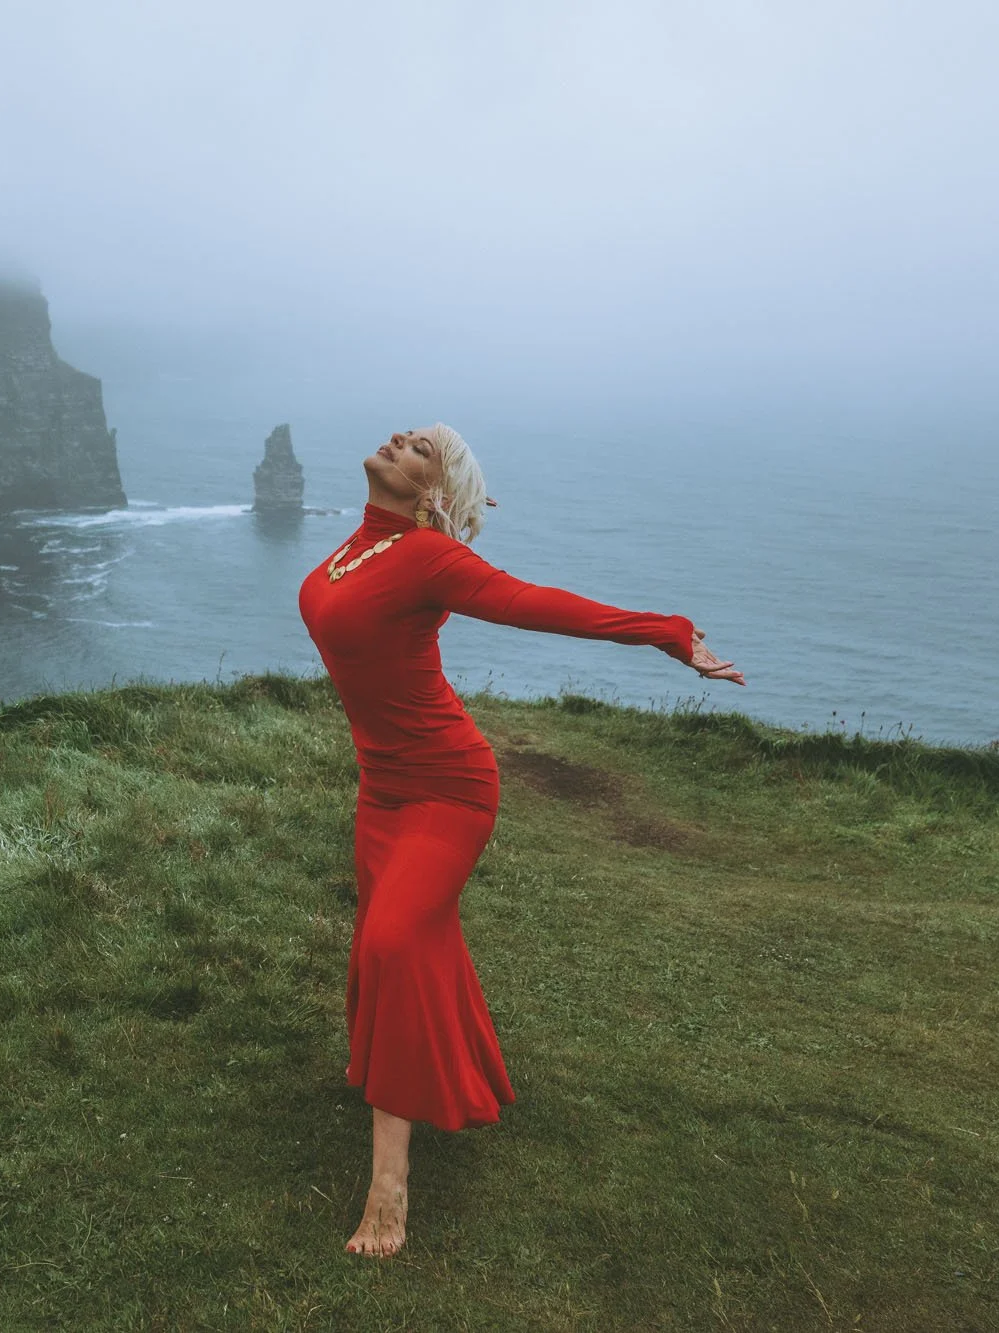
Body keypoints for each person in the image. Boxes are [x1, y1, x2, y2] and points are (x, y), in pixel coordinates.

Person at [297, 424, 745, 1259]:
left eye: (422, 447)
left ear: (431, 491)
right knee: (400, 942)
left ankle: (388, 1189)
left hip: (446, 786)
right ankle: (459, 1074)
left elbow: (538, 604)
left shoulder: (430, 559)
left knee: (394, 941)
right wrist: (450, 501)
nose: (400, 438)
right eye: (407, 432)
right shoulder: (355, 547)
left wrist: (668, 632)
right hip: (382, 790)